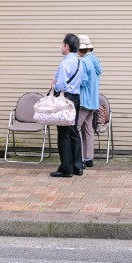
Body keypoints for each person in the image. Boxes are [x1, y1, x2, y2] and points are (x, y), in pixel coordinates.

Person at [50, 33, 83, 178]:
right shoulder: (80, 62)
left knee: (63, 133)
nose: (60, 46)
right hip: (76, 98)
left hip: (65, 98)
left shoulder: (64, 63)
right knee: (74, 132)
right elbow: (84, 80)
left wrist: (54, 85)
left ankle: (66, 168)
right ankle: (77, 166)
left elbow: (61, 84)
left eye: (62, 44)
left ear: (67, 46)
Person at [75, 34, 102, 168]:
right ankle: (89, 157)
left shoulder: (84, 62)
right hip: (94, 100)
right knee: (88, 128)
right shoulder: (95, 60)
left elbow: (83, 81)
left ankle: (78, 157)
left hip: (84, 100)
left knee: (76, 127)